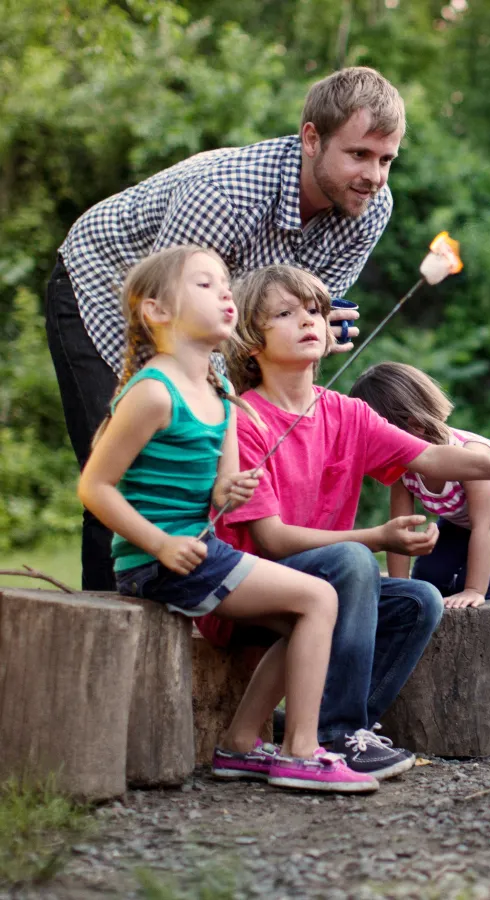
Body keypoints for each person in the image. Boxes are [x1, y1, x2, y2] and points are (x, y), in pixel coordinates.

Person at [48, 66, 405, 591]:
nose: (374, 176)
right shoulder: (224, 194)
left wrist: (313, 334)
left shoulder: (370, 208)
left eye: (386, 159)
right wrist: (224, 406)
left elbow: (305, 313)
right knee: (135, 474)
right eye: (358, 155)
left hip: (214, 316)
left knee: (219, 471)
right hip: (110, 286)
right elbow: (174, 321)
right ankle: (115, 632)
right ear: (311, 138)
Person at [205, 265, 490, 776]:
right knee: (353, 559)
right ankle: (336, 736)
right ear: (252, 339)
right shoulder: (246, 419)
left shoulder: (347, 413)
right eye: (286, 313)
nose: (308, 321)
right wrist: (377, 537)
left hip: (325, 585)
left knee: (418, 600)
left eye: (315, 310)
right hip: (252, 585)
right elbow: (270, 540)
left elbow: (428, 458)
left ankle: (347, 726)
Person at [77, 246, 378, 793]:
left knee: (301, 616)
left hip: (198, 553)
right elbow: (94, 487)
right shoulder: (152, 392)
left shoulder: (222, 398)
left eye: (224, 284)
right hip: (156, 561)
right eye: (205, 284)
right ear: (157, 312)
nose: (224, 293)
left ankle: (241, 744)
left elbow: (216, 497)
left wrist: (227, 492)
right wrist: (161, 544)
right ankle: (303, 751)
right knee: (319, 598)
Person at [350, 362, 490, 609]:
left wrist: (474, 589)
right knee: (427, 577)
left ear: (415, 426)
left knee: (482, 587)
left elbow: (484, 526)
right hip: (460, 520)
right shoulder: (400, 465)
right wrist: (400, 588)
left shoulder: (470, 457)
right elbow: (400, 530)